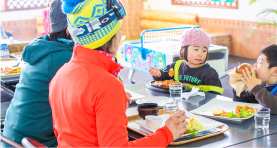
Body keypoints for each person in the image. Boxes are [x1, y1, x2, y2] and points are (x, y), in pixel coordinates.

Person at [49, 0, 187, 147]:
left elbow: (65, 132)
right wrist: (167, 133)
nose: (121, 34)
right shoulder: (107, 85)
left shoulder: (59, 76)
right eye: (118, 29)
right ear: (108, 38)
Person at [3, 0, 74, 147]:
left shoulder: (45, 47)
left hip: (13, 139)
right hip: (35, 142)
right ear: (69, 30)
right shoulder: (63, 58)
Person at [149, 27, 224, 94]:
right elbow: (164, 78)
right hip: (178, 105)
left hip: (199, 107)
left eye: (204, 50)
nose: (200, 54)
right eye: (196, 49)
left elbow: (215, 97)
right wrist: (158, 74)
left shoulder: (210, 74)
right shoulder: (176, 67)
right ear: (184, 50)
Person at [233, 44, 277, 116]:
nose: (254, 65)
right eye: (256, 62)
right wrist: (239, 88)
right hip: (264, 126)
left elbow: (274, 106)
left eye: (260, 63)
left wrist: (255, 88)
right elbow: (244, 104)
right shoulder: (262, 87)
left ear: (275, 71)